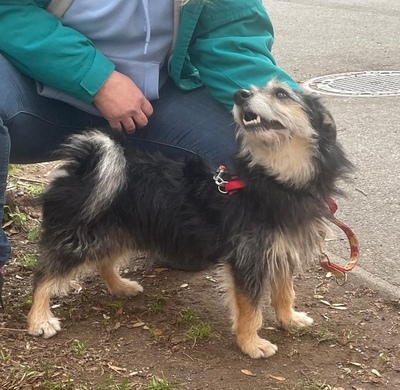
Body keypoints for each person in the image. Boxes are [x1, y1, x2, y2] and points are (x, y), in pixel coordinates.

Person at [0, 0, 299, 298]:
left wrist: (298, 121)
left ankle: (158, 235)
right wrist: (97, 78)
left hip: (150, 101)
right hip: (34, 88)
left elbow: (232, 38)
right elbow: (10, 9)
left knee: (238, 157)